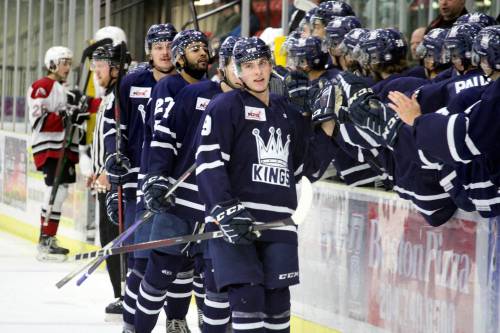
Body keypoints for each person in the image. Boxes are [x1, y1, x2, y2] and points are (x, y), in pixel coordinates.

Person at [194, 36, 336, 333]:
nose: (257, 72)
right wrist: (224, 209)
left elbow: (303, 168)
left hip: (279, 224)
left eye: (261, 64)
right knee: (247, 303)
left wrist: (327, 130)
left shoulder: (287, 113)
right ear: (237, 71)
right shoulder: (225, 106)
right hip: (235, 222)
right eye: (248, 66)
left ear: (271, 66)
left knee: (277, 311)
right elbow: (208, 163)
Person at [136, 36, 243, 333]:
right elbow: (163, 137)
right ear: (224, 67)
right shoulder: (193, 94)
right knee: (159, 275)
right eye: (237, 65)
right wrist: (157, 177)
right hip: (180, 202)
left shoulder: (249, 106)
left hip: (216, 208)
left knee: (215, 285)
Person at [102, 23, 178, 333]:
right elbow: (112, 126)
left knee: (177, 261)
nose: (164, 51)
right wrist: (112, 158)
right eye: (157, 45)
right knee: (141, 260)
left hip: (176, 184)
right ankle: (133, 323)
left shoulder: (187, 84)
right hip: (137, 183)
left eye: (169, 45)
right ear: (149, 50)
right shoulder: (130, 84)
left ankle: (176, 319)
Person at [134, 28, 210, 333]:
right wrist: (157, 178)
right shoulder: (170, 87)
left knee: (203, 273)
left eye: (204, 48)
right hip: (174, 194)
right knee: (160, 268)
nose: (202, 52)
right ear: (180, 57)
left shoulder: (214, 90)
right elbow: (161, 138)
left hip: (206, 197)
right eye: (194, 48)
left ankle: (179, 321)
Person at [27, 46, 87, 261]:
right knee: (54, 192)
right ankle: (45, 240)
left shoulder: (65, 88)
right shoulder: (42, 86)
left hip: (64, 148)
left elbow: (75, 117)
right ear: (52, 63)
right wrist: (67, 114)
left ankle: (49, 238)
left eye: (70, 63)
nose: (68, 67)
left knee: (59, 194)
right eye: (64, 62)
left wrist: (81, 111)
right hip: (50, 148)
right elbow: (39, 120)